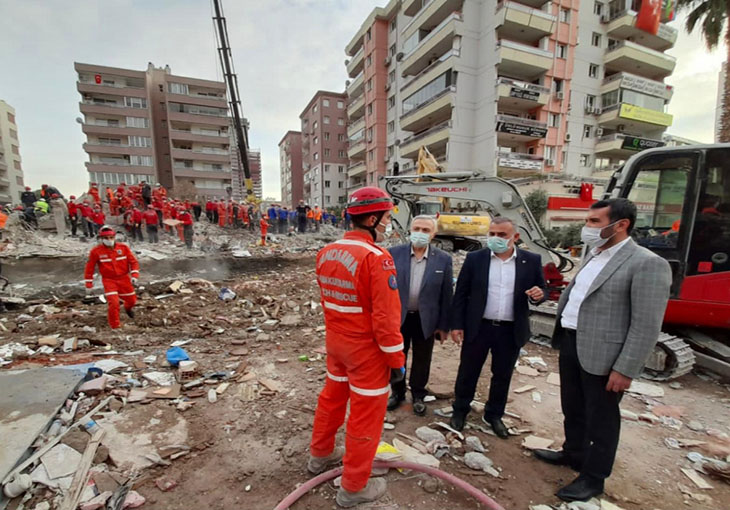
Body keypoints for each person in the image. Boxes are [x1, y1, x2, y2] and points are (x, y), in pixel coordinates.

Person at [532, 199, 672, 502]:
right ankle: (574, 454)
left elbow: (646, 324)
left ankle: (594, 478)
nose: (587, 228)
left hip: (605, 356)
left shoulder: (646, 263)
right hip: (572, 342)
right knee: (574, 407)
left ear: (621, 225)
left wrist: (625, 368)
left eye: (595, 222)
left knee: (602, 419)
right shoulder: (594, 254)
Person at [308, 186, 405, 507]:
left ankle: (319, 456)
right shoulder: (377, 259)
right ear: (373, 219)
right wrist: (396, 361)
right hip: (367, 353)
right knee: (366, 416)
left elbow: (329, 302)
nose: (388, 224)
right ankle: (353, 488)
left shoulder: (326, 252)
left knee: (332, 399)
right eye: (388, 218)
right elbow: (386, 320)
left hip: (336, 345)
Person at [449, 217, 546, 435]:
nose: (495, 239)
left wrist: (539, 295)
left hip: (510, 329)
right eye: (492, 234)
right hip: (478, 327)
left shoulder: (530, 260)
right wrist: (457, 324)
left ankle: (494, 415)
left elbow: (541, 289)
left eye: (502, 235)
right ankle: (460, 410)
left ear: (515, 237)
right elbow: (461, 294)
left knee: (502, 375)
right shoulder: (476, 259)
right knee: (468, 372)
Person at [387, 215, 453, 416]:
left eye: (426, 230)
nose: (420, 233)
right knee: (397, 357)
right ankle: (397, 393)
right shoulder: (392, 254)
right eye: (417, 228)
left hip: (427, 319)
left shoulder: (443, 259)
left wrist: (444, 326)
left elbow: (446, 295)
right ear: (410, 230)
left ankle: (418, 394)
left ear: (433, 234)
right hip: (398, 317)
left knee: (423, 359)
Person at [83, 225, 140, 329]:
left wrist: (135, 275)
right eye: (106, 238)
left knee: (132, 300)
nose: (109, 240)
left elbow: (133, 262)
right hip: (109, 280)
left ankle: (127, 308)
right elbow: (89, 268)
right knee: (113, 303)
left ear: (114, 237)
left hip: (124, 279)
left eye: (111, 237)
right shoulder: (96, 252)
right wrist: (88, 284)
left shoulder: (123, 248)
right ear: (101, 239)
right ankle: (115, 325)